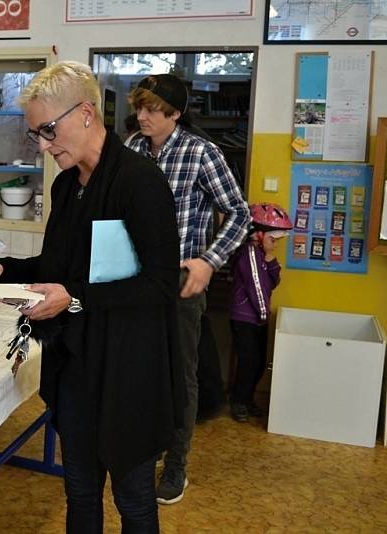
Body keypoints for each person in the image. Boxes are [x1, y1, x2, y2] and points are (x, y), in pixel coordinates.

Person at [0, 61, 184, 533]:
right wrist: (6, 270)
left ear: (86, 112)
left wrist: (75, 300)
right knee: (80, 492)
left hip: (130, 371)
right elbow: (58, 268)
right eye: (36, 135)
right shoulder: (68, 186)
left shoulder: (139, 182)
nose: (44, 146)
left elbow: (162, 284)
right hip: (79, 369)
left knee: (133, 501)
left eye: (48, 130)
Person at [126, 73, 250, 505]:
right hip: (134, 278)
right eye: (138, 108)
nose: (142, 116)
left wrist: (208, 261)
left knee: (181, 372)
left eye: (152, 109)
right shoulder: (131, 149)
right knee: (142, 366)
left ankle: (176, 463)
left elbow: (239, 213)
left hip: (181, 280)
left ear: (175, 113)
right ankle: (145, 447)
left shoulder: (202, 154)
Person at [229, 203, 292, 422]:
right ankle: (238, 402)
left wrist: (272, 263)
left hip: (258, 316)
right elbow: (256, 286)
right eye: (272, 240)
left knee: (258, 362)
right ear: (258, 234)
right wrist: (264, 314)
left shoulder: (262, 255)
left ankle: (247, 399)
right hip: (246, 317)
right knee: (248, 362)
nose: (274, 245)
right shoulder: (248, 254)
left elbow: (271, 284)